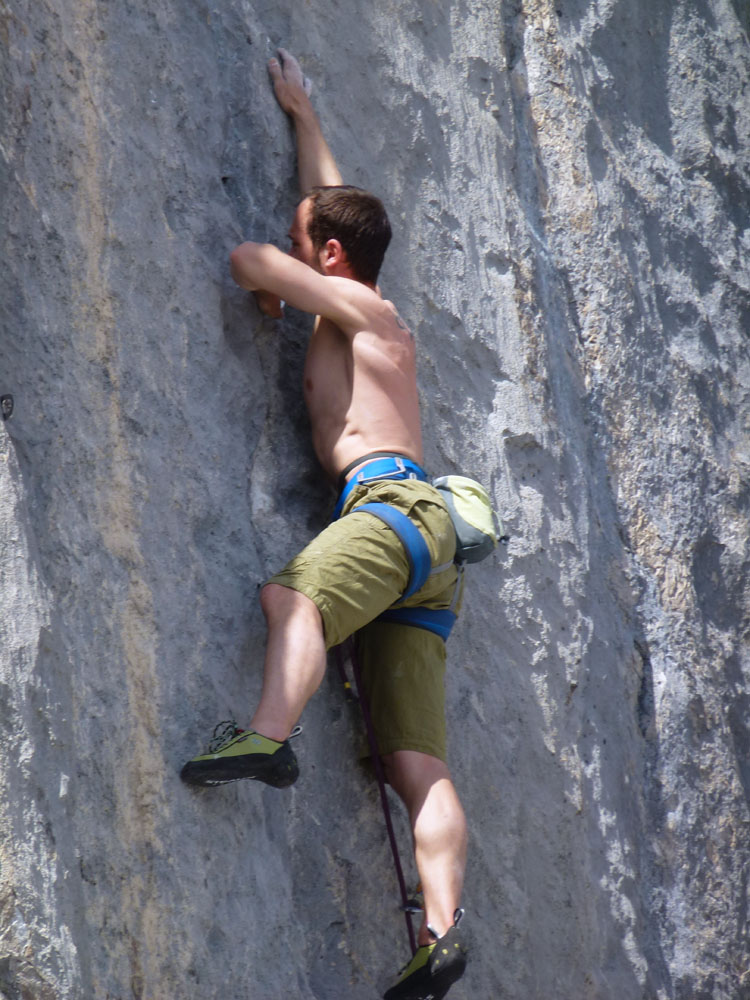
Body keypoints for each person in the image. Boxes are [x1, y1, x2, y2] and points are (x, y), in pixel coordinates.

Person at [181, 49, 468, 1000]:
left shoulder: (355, 308)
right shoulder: (362, 307)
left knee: (288, 594)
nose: (299, 246)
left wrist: (274, 278)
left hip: (390, 510)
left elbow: (250, 261)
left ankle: (266, 736)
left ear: (330, 261)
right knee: (412, 761)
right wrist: (304, 114)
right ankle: (442, 931)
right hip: (424, 545)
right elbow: (331, 203)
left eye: (309, 242)